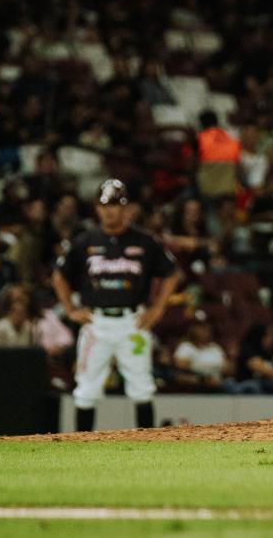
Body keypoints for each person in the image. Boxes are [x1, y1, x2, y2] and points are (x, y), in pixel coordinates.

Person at [51, 179, 181, 431]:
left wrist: (158, 308)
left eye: (116, 204)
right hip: (96, 322)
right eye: (105, 205)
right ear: (97, 209)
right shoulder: (85, 241)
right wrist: (69, 309)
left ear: (127, 208)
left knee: (142, 386)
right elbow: (59, 275)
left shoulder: (144, 241)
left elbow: (172, 273)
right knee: (87, 387)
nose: (110, 210)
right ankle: (82, 449)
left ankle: (146, 447)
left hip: (133, 322)